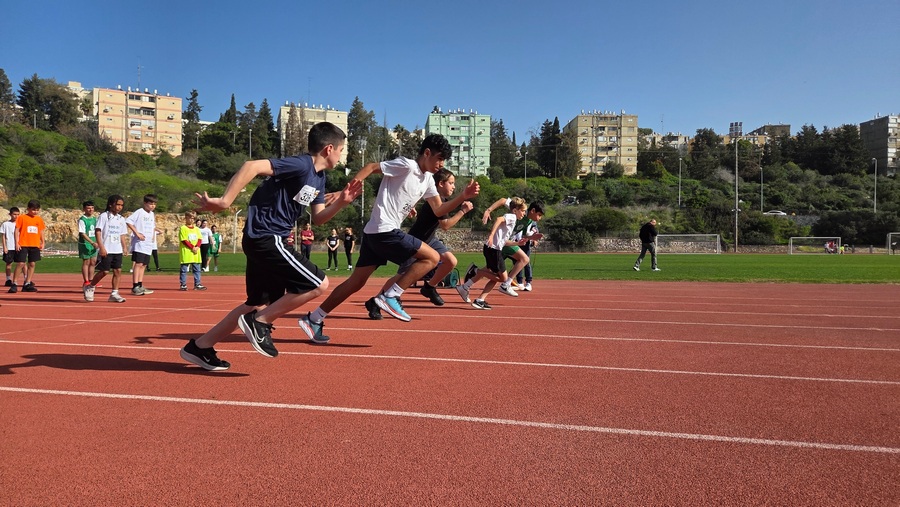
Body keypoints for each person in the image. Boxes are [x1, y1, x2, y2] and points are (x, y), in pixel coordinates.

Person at [180, 121, 360, 371]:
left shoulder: (319, 179)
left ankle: (200, 346)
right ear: (329, 149)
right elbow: (251, 166)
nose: (341, 156)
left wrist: (341, 202)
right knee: (318, 284)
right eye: (341, 150)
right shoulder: (301, 164)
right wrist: (224, 201)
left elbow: (318, 218)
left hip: (265, 239)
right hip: (267, 236)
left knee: (256, 303)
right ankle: (260, 322)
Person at [299, 133, 478, 339]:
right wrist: (345, 191)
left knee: (355, 282)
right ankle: (391, 295)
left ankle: (314, 318)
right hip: (384, 230)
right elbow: (371, 167)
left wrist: (462, 197)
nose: (441, 164)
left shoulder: (428, 179)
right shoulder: (407, 165)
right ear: (427, 153)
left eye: (444, 160)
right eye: (439, 158)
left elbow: (439, 210)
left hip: (374, 232)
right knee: (432, 257)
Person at [364, 168, 474, 320]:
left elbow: (419, 195)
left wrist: (412, 206)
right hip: (417, 240)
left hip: (431, 240)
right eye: (451, 183)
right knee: (403, 276)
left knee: (450, 261)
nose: (454, 186)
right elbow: (446, 225)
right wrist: (463, 211)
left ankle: (429, 287)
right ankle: (375, 302)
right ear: (441, 184)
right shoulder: (437, 202)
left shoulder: (440, 200)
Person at [455, 197, 529, 310]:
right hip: (494, 250)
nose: (524, 214)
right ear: (515, 210)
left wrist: (517, 243)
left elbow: (503, 241)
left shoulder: (512, 220)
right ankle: (475, 271)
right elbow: (499, 219)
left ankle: (479, 299)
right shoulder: (512, 217)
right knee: (503, 279)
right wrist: (491, 235)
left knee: (495, 276)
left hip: (492, 249)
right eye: (523, 211)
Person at [482, 199, 544, 294]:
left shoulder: (529, 221)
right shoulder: (519, 208)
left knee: (493, 270)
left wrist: (532, 238)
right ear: (532, 211)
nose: (540, 218)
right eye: (539, 215)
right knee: (524, 259)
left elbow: (525, 235)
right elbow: (503, 200)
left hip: (507, 243)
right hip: (502, 243)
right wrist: (488, 210)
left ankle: (470, 285)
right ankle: (506, 284)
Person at [84, 195, 128, 303]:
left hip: (117, 249)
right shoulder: (103, 216)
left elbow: (122, 234)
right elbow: (98, 232)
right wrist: (101, 247)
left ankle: (114, 293)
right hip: (107, 248)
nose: (119, 207)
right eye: (117, 204)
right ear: (110, 204)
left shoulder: (121, 219)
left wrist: (124, 247)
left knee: (118, 271)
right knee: (104, 271)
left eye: (121, 205)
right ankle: (90, 286)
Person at [125, 194, 159, 296]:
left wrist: (152, 237)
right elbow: (128, 221)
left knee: (144, 265)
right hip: (140, 243)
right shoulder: (140, 212)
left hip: (148, 243)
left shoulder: (152, 214)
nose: (153, 206)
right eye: (150, 203)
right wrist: (137, 233)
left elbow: (152, 227)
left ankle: (140, 285)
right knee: (138, 264)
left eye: (154, 204)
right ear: (145, 203)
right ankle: (135, 286)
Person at [10, 200, 46, 293]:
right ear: (28, 209)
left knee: (32, 264)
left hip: (34, 244)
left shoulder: (39, 219)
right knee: (21, 263)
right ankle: (14, 283)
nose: (35, 212)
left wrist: (43, 242)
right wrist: (17, 243)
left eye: (37, 210)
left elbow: (41, 231)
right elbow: (16, 230)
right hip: (23, 244)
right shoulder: (22, 218)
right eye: (33, 209)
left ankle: (27, 283)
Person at [178, 211, 206, 291]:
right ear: (186, 218)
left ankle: (197, 284)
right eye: (190, 218)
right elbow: (184, 240)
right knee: (184, 269)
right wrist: (192, 247)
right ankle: (183, 284)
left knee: (197, 269)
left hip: (195, 253)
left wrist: (197, 247)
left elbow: (200, 239)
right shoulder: (183, 228)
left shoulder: (196, 229)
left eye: (193, 218)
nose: (191, 220)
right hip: (186, 252)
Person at [76, 201, 99, 287]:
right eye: (88, 208)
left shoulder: (95, 219)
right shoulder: (82, 220)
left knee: (93, 262)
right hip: (85, 243)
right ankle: (86, 281)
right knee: (86, 262)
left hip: (94, 243)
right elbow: (82, 233)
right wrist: (91, 242)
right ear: (84, 209)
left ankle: (91, 280)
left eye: (92, 208)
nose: (91, 210)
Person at [2, 207, 23, 288]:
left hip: (19, 246)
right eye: (14, 214)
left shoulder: (20, 223)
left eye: (18, 214)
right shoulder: (5, 224)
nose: (16, 216)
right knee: (9, 263)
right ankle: (8, 279)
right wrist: (5, 247)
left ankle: (26, 279)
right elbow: (3, 236)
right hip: (9, 246)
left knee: (22, 263)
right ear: (10, 214)